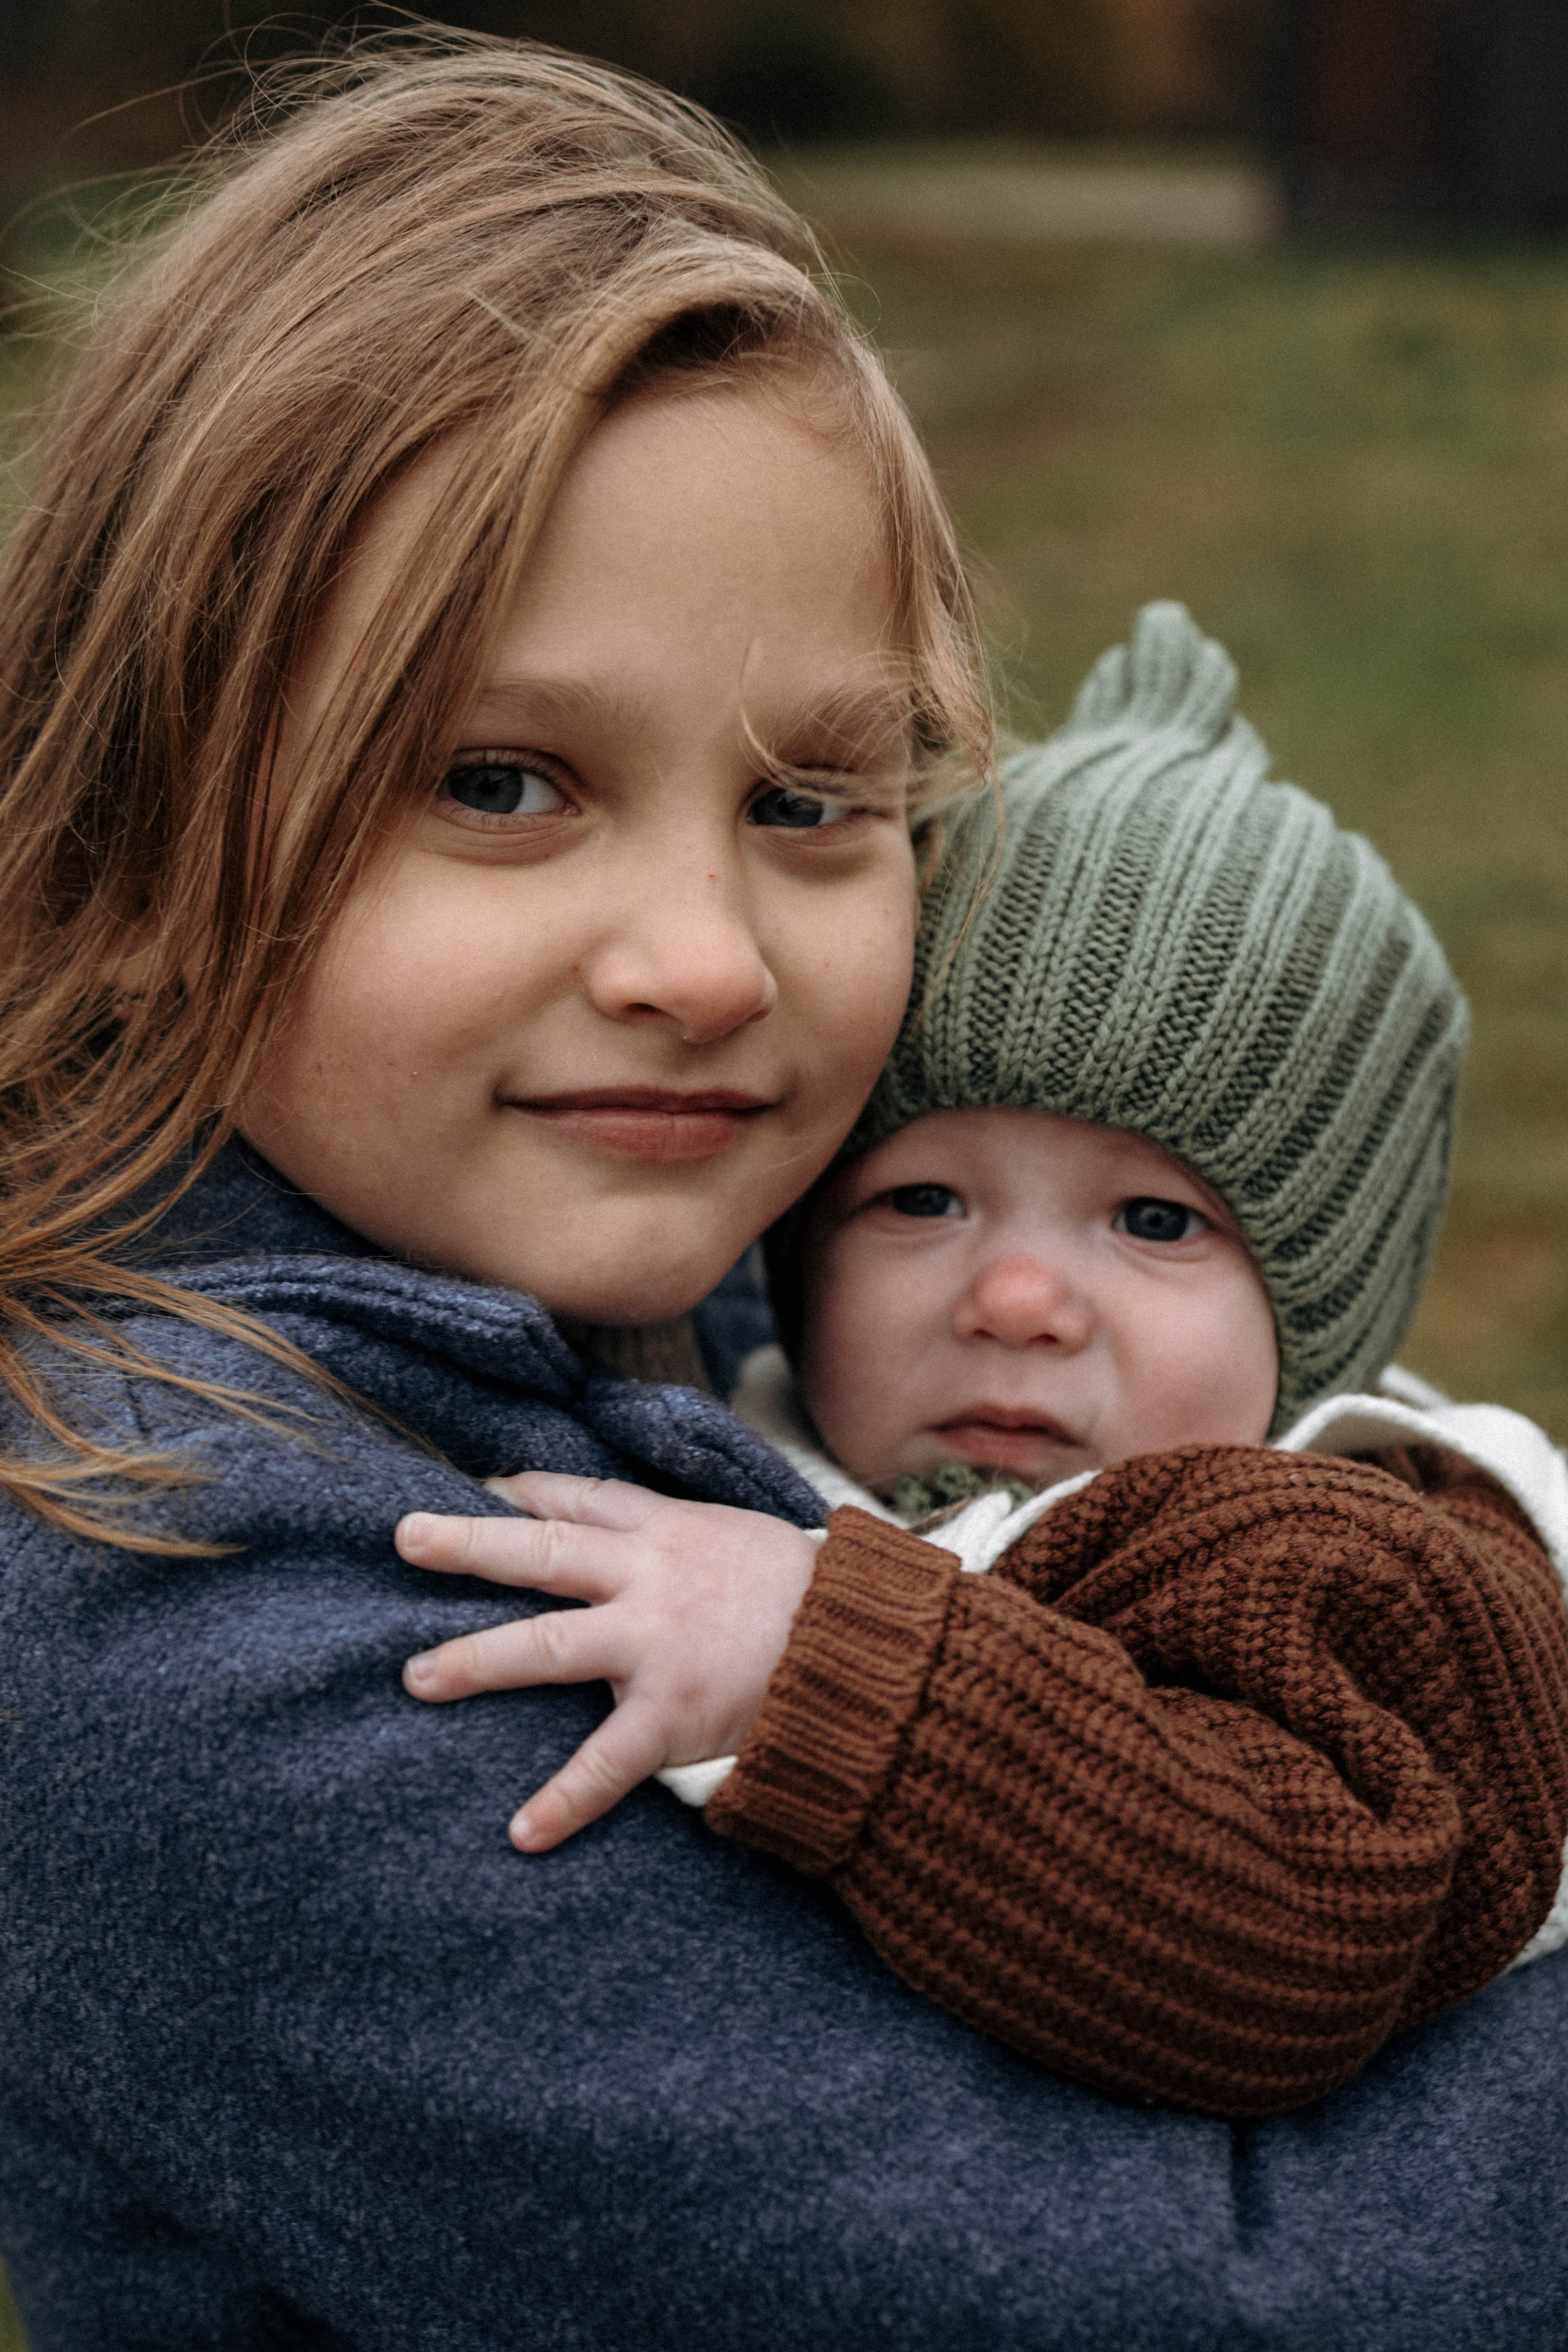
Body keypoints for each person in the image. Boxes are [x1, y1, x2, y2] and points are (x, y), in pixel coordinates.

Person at [2, 33, 1567, 2352]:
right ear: (140, 828)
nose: (706, 964)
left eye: (816, 801)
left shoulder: (722, 1299)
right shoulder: (167, 1614)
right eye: (504, 781)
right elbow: (1199, 2303)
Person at [397, 604, 1568, 2117]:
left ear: (1321, 1320)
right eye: (921, 1201)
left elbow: (1304, 1939)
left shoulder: (1351, 1558)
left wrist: (821, 1668)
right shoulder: (747, 1403)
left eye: (1152, 1223)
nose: (1016, 1296)